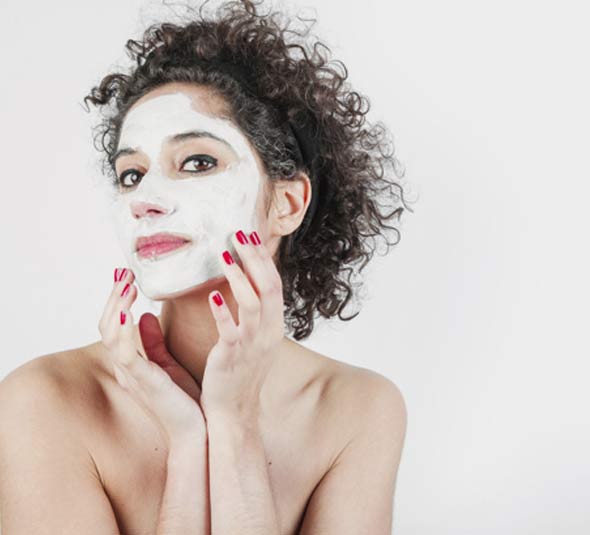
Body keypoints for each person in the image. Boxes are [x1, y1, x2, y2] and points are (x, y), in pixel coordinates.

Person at [0, 1, 414, 533]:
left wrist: (234, 425)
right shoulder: (44, 400)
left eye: (197, 162)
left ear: (286, 204)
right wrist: (186, 442)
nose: (144, 200)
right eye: (131, 175)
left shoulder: (358, 409)